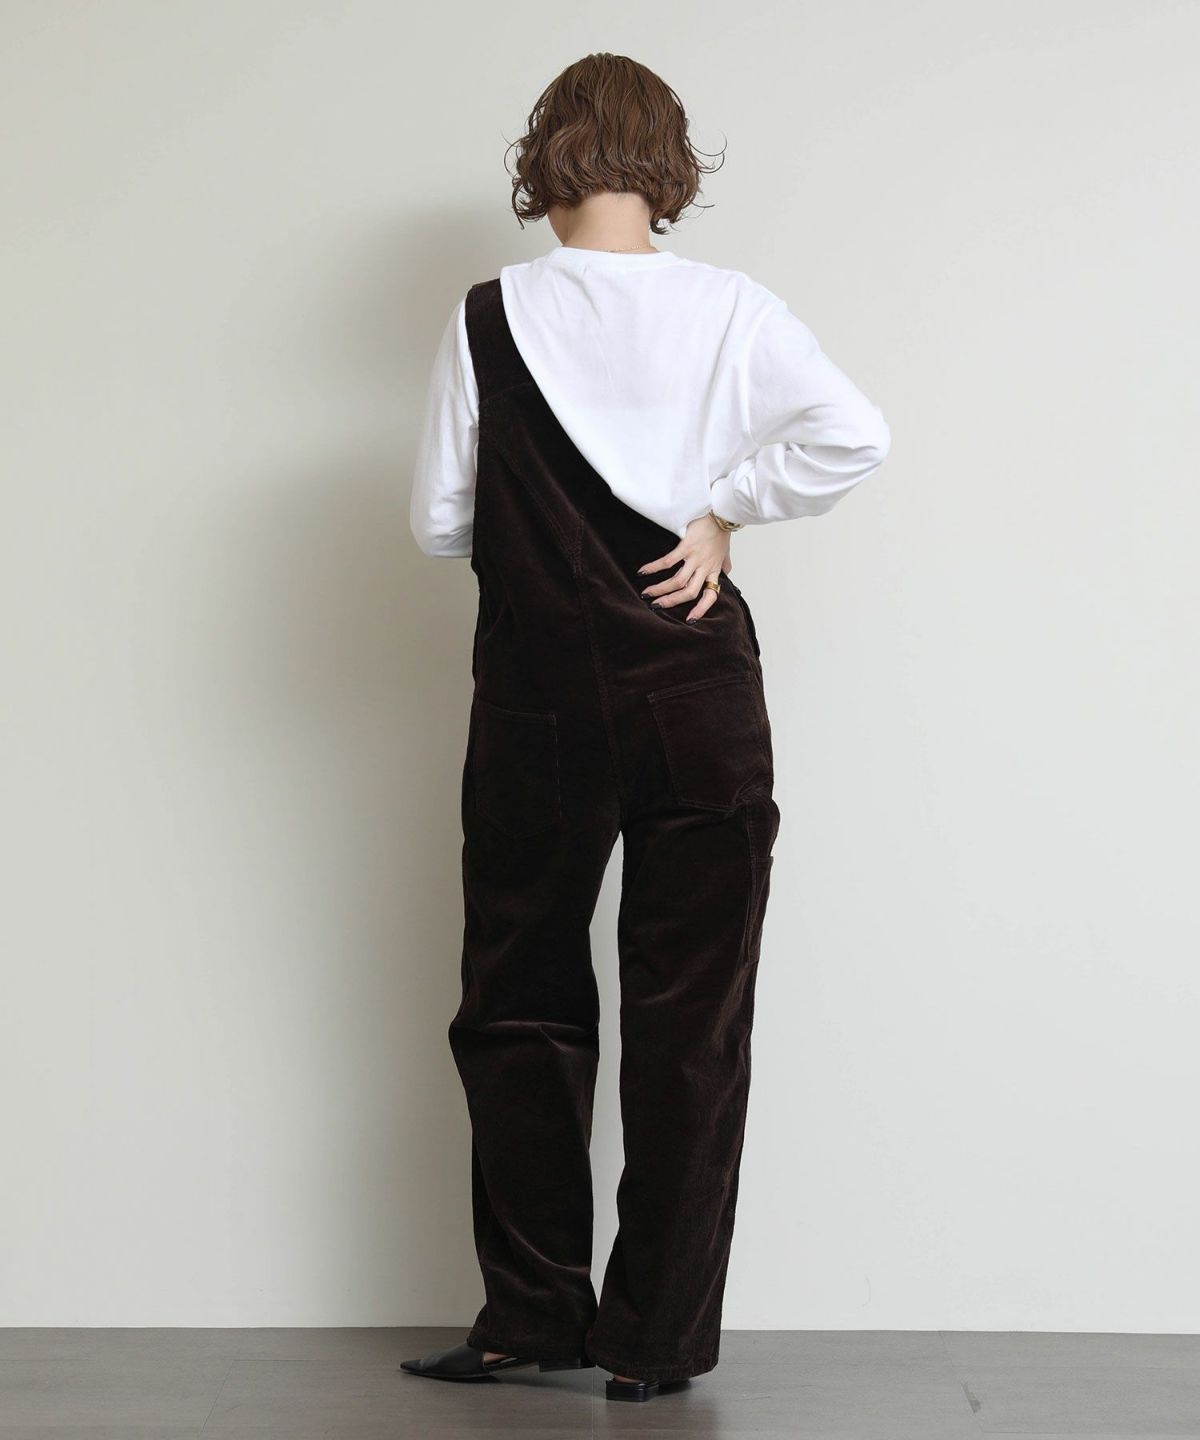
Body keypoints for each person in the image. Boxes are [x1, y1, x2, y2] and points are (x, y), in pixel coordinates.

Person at [402, 52, 890, 1403]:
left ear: (546, 160)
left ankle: (529, 1316)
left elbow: (439, 521)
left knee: (519, 1003)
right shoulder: (733, 309)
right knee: (692, 1020)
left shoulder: (489, 315)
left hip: (539, 698)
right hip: (696, 694)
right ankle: (657, 1345)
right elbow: (854, 433)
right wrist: (722, 509)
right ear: (669, 165)